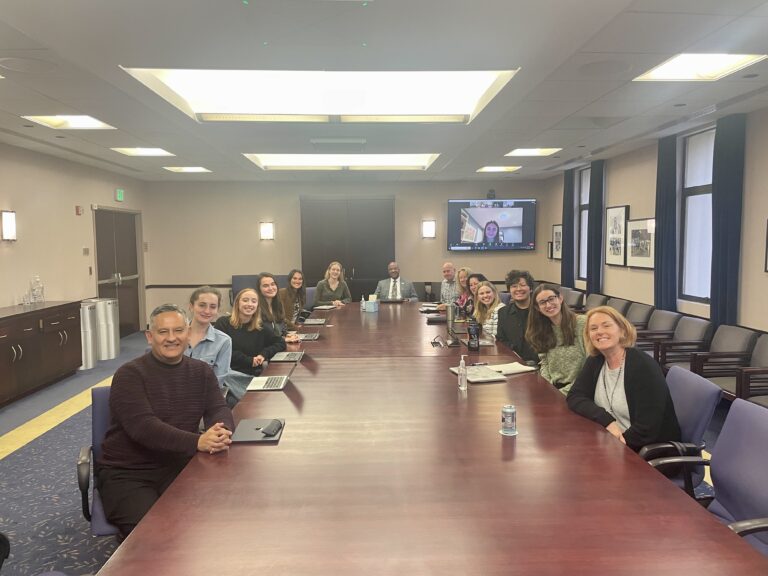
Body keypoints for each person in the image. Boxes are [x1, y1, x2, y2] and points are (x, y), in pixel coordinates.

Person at [97, 304, 234, 538]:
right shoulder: (129, 374)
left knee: (213, 522)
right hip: (129, 474)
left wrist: (221, 431)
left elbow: (218, 407)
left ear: (188, 333)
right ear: (150, 337)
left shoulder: (201, 371)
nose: (172, 338)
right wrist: (198, 441)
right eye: (163, 332)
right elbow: (144, 428)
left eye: (178, 331)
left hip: (180, 466)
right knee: (158, 536)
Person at [567, 306, 681, 452]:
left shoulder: (643, 366)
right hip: (610, 441)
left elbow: (647, 428)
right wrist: (607, 421)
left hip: (645, 452)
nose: (600, 332)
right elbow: (575, 396)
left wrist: (614, 446)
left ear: (622, 330)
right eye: (593, 328)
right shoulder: (596, 361)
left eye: (606, 325)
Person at [214, 288, 286, 405]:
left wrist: (263, 354)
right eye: (245, 300)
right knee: (233, 404)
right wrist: (249, 360)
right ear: (237, 303)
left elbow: (280, 343)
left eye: (253, 301)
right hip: (228, 377)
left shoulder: (260, 326)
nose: (249, 304)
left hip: (251, 376)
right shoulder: (223, 323)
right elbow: (220, 351)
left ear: (257, 305)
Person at [526, 284, 587, 395]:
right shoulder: (541, 329)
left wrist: (562, 393)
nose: (548, 305)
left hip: (580, 389)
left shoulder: (582, 323)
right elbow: (544, 362)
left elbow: (590, 366)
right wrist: (548, 387)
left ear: (560, 298)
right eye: (542, 302)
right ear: (537, 308)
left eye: (551, 299)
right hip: (555, 388)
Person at [184, 286, 232, 387]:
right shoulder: (175, 335)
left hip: (205, 397)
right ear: (191, 306)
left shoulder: (223, 341)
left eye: (213, 307)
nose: (207, 311)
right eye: (202, 305)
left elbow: (218, 381)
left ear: (217, 310)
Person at [496, 270, 538, 363]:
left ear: (530, 288)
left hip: (539, 363)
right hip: (512, 362)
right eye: (514, 286)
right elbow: (501, 340)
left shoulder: (540, 311)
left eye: (522, 285)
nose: (518, 289)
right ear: (509, 290)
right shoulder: (503, 312)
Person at [257, 273, 299, 342]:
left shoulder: (277, 305)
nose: (270, 288)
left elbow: (282, 328)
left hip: (279, 346)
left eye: (273, 284)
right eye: (265, 286)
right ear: (259, 289)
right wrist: (283, 339)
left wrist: (287, 335)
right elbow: (262, 337)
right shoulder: (257, 308)